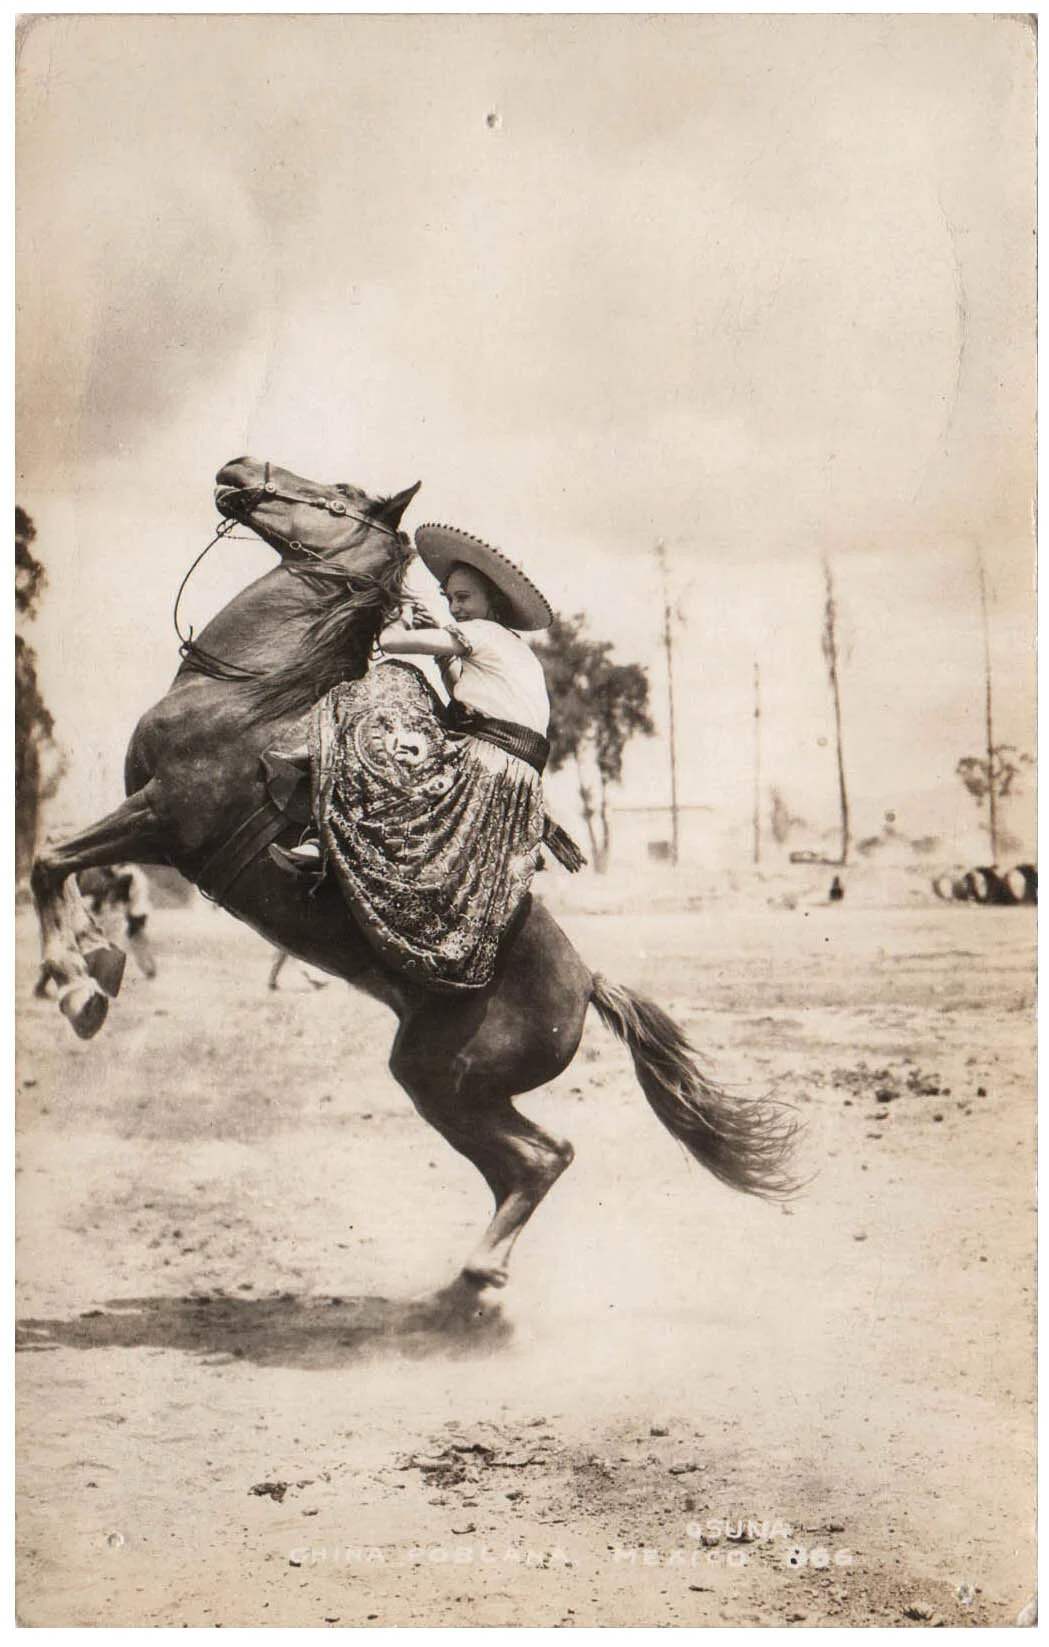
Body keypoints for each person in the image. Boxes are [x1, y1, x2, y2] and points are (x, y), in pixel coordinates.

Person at [272, 524, 582, 992]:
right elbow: (466, 691)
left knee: (393, 684)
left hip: (487, 763)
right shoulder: (511, 650)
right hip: (515, 775)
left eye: (464, 599)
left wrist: (395, 611)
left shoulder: (481, 634)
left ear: (492, 603)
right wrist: (438, 644)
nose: (456, 608)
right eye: (450, 599)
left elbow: (395, 645)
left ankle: (318, 816)